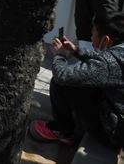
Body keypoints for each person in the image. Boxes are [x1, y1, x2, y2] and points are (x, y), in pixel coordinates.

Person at [30, 12, 124, 148]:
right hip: (118, 121)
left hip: (112, 133)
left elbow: (62, 75)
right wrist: (75, 50)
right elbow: (104, 59)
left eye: (93, 32)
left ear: (106, 40)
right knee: (84, 83)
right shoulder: (120, 51)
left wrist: (60, 55)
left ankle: (63, 131)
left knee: (63, 84)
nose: (91, 36)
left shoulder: (107, 63)